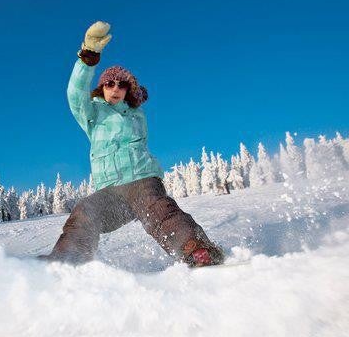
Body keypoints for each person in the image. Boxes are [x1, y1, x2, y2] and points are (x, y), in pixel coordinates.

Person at [41, 21, 225, 267]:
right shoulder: (93, 115)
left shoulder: (135, 114)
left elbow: (135, 102)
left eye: (122, 84)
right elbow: (75, 94)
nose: (115, 88)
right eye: (109, 83)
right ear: (102, 88)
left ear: (128, 90)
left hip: (141, 182)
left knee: (160, 212)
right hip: (111, 192)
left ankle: (197, 250)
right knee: (85, 212)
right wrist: (88, 57)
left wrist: (136, 93)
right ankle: (66, 261)